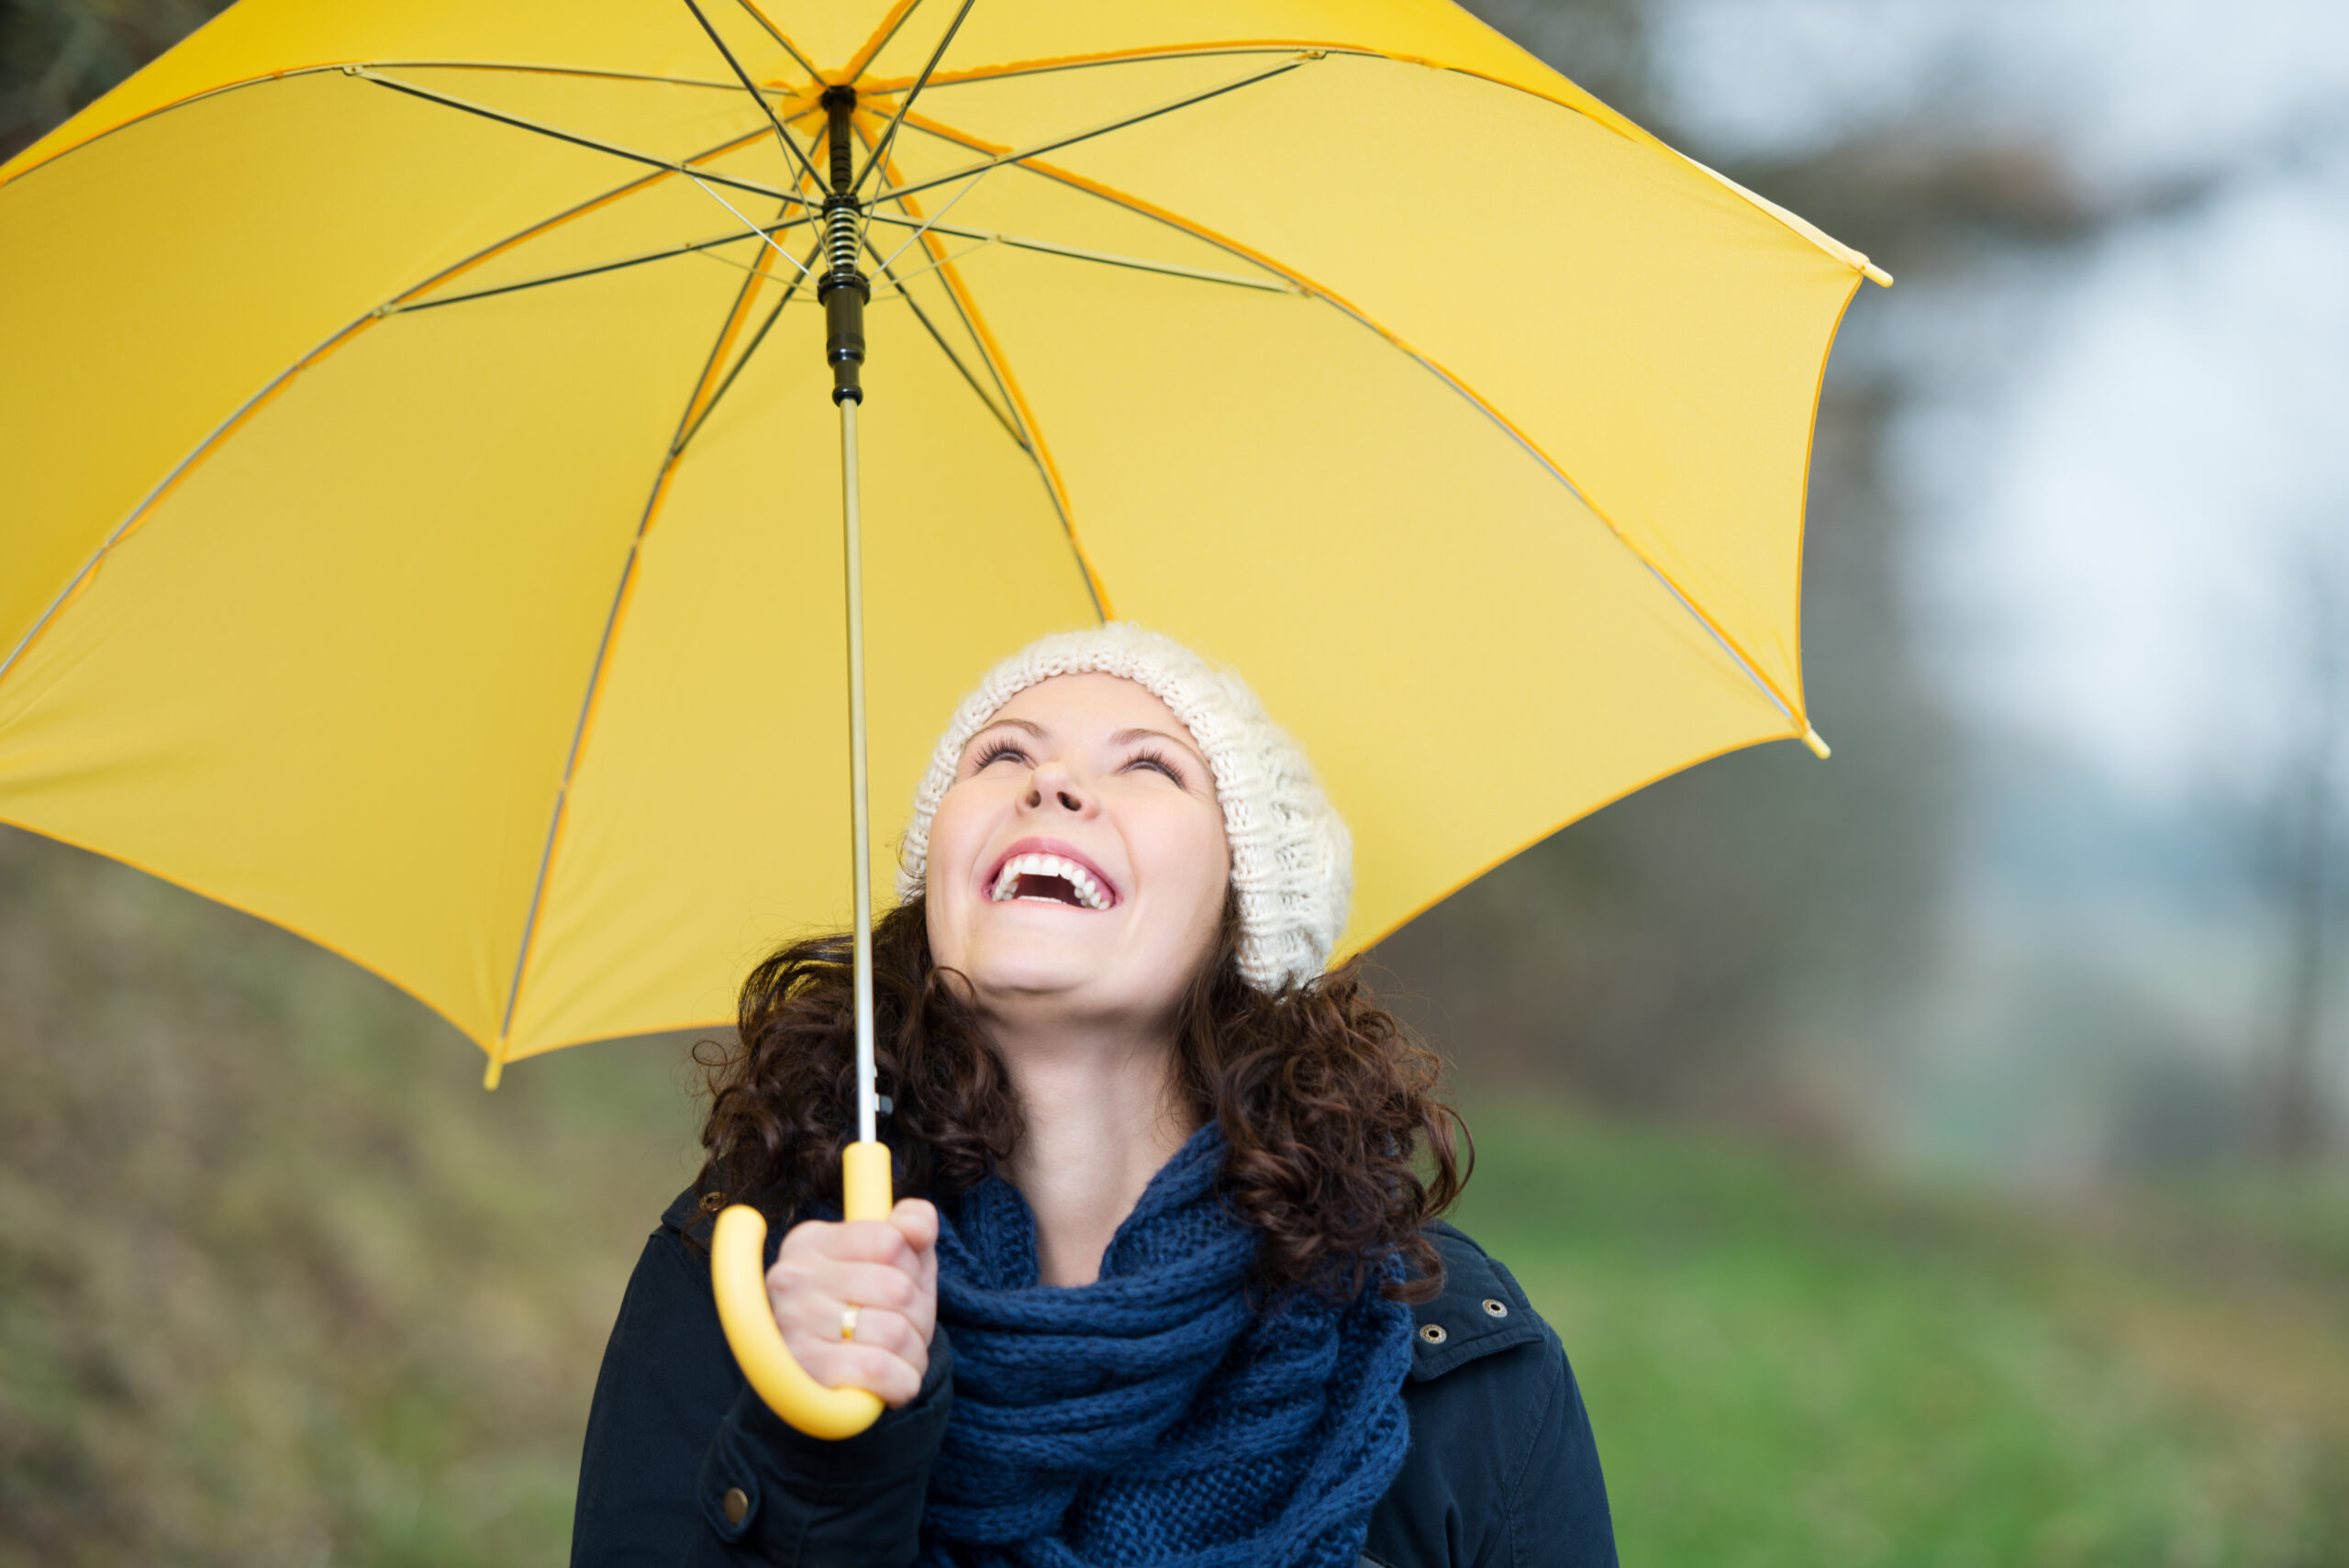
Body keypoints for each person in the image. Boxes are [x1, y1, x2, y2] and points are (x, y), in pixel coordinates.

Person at [571, 624, 1617, 1567]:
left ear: (1243, 911)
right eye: (1004, 755)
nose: (1052, 786)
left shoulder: (1455, 1356)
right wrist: (819, 1449)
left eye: (1149, 766)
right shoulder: (748, 1288)